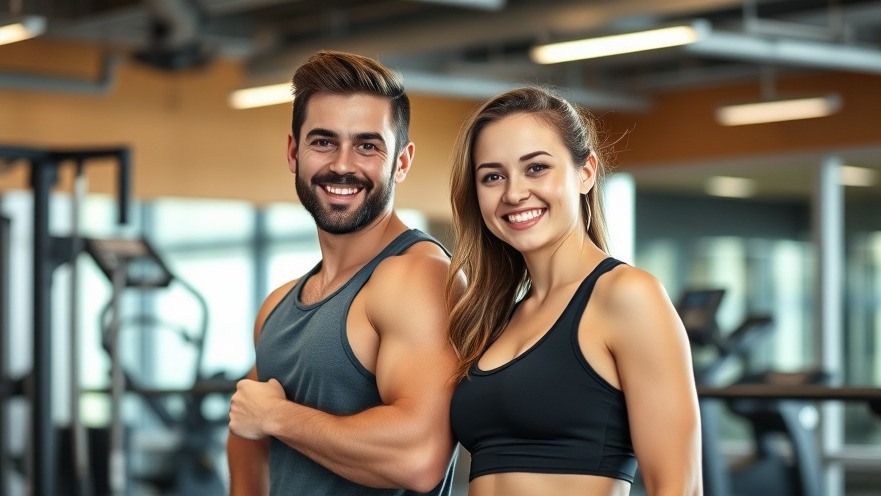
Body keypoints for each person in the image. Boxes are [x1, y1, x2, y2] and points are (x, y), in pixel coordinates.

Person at [446, 86, 702, 496]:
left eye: (536, 168)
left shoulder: (627, 296)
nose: (513, 193)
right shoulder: (498, 317)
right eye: (493, 176)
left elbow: (680, 488)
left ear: (585, 173)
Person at [227, 50, 461, 496]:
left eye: (368, 145)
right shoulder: (277, 305)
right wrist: (262, 419)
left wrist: (278, 417)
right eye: (323, 141)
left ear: (402, 162)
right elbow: (246, 428)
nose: (342, 164)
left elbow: (418, 458)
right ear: (294, 152)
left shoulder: (418, 277)